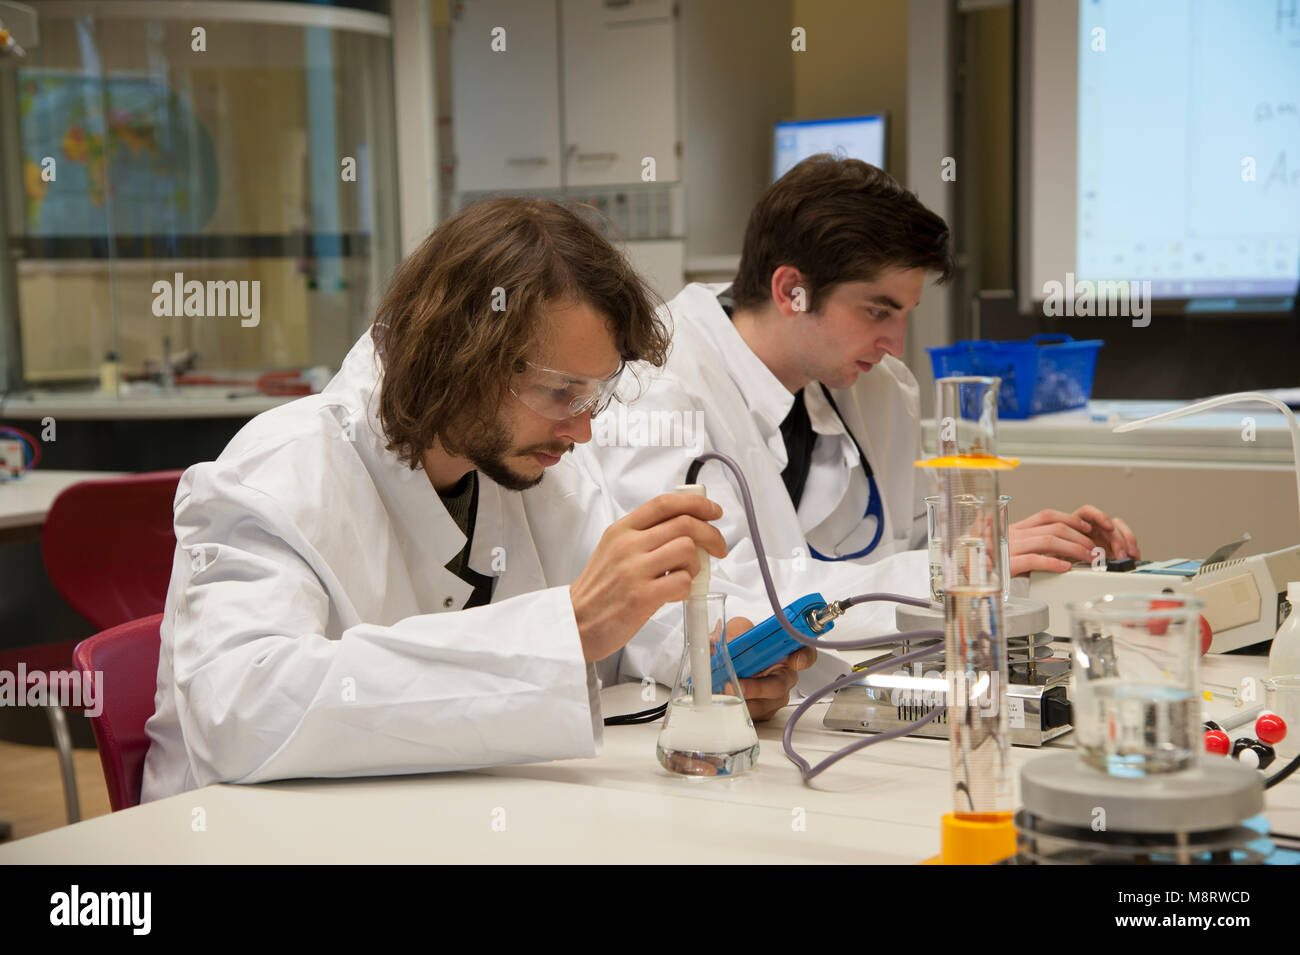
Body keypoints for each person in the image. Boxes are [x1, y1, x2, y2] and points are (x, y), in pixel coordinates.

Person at [141, 198, 807, 801]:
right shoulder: (281, 473)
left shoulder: (539, 469)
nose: (583, 429)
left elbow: (618, 637)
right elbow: (242, 709)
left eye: (594, 395)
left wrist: (708, 656)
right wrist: (566, 630)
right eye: (560, 393)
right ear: (462, 356)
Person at [579, 156, 1140, 689]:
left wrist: (1054, 564)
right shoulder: (653, 384)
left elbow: (915, 547)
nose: (895, 343)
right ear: (790, 291)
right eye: (878, 310)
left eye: (905, 314)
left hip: (859, 704)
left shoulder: (881, 388)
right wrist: (953, 566)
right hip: (716, 722)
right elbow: (709, 600)